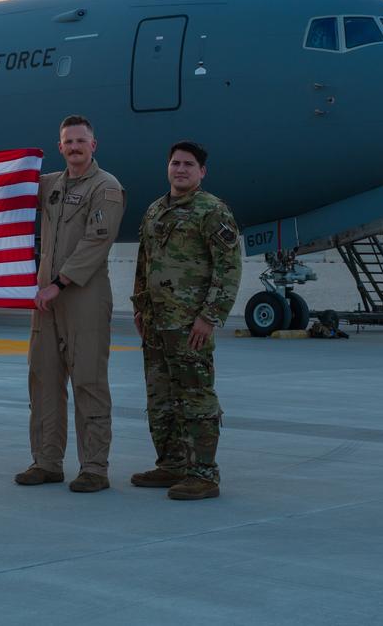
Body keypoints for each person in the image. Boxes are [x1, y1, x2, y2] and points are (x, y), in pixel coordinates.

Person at [16, 115, 125, 493]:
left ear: (93, 146)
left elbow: (96, 244)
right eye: (68, 142)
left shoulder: (106, 188)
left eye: (81, 141)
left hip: (83, 297)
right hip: (46, 301)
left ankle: (94, 467)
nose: (75, 147)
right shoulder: (49, 186)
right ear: (60, 147)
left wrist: (58, 283)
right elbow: (10, 190)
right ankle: (46, 461)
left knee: (88, 381)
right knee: (43, 379)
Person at [130, 140, 241, 500]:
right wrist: (139, 308)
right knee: (160, 396)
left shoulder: (212, 211)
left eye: (188, 165)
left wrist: (209, 317)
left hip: (190, 324)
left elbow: (229, 269)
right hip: (156, 322)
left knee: (195, 396)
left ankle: (204, 473)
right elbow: (143, 264)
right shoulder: (154, 210)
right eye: (175, 163)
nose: (180, 169)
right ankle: (173, 464)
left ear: (201, 172)